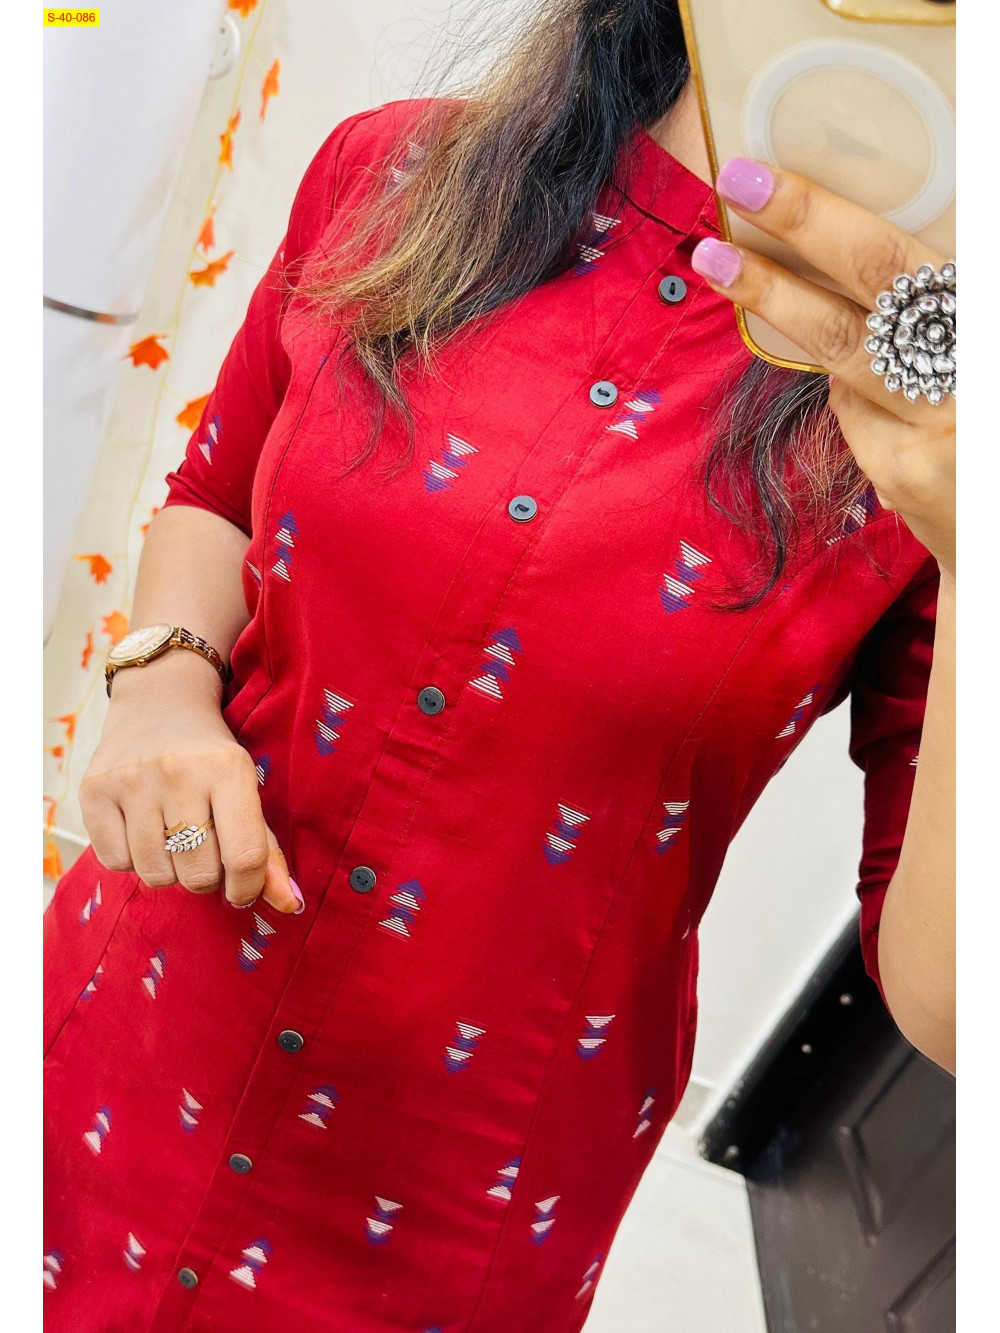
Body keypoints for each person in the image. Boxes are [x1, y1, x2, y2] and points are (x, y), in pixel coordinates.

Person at [42, 1, 955, 1328]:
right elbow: (216, 494)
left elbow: (945, 1003)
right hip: (130, 1036)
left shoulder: (930, 436)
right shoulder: (394, 170)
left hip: (457, 1199)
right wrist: (162, 688)